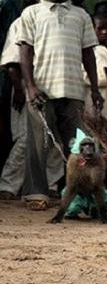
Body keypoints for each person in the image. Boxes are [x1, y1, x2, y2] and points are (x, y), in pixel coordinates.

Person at [18, 0, 103, 203]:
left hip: (74, 89)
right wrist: (31, 87)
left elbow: (88, 54)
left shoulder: (80, 14)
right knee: (38, 145)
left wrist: (94, 88)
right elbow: (25, 53)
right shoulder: (32, 13)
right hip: (42, 89)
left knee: (78, 146)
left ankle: (78, 195)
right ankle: (36, 193)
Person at [0, 16, 64, 200]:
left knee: (54, 140)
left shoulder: (61, 20)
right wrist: (20, 89)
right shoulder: (23, 21)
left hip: (56, 86)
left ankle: (49, 184)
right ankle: (9, 185)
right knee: (25, 138)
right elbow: (12, 61)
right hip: (27, 86)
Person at [0, 0, 42, 173]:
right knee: (19, 135)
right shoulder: (12, 9)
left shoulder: (48, 20)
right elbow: (10, 57)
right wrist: (18, 87)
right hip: (14, 78)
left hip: (39, 83)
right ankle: (8, 183)